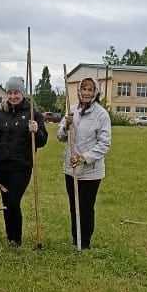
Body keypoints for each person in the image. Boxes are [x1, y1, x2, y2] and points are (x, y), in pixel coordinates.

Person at [0, 76, 48, 247]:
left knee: (14, 201)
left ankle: (16, 238)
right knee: (7, 203)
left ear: (22, 93)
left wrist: (36, 131)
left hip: (22, 166)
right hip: (2, 165)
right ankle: (11, 238)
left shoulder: (33, 114)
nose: (13, 96)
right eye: (10, 92)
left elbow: (42, 141)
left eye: (16, 92)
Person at [57, 77, 111, 250]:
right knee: (74, 207)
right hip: (70, 169)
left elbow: (104, 144)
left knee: (86, 207)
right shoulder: (72, 111)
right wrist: (66, 125)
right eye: (84, 89)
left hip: (90, 171)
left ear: (95, 93)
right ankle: (76, 240)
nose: (86, 92)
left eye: (90, 89)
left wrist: (83, 157)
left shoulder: (101, 114)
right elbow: (60, 137)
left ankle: (85, 243)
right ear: (79, 91)